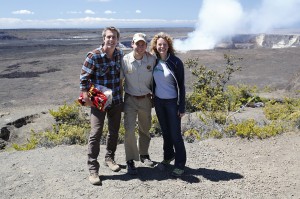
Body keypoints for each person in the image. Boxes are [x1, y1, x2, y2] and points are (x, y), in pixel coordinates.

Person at [79, 26, 123, 185]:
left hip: (116, 100)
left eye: (114, 37)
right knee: (96, 132)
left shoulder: (119, 54)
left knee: (114, 131)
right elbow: (83, 78)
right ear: (103, 38)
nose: (111, 40)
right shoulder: (94, 56)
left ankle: (109, 158)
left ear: (117, 39)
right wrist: (85, 97)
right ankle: (93, 169)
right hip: (98, 102)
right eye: (108, 37)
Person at [149, 32, 187, 177]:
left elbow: (182, 86)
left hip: (172, 102)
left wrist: (181, 106)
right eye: (159, 44)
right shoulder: (154, 61)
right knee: (165, 131)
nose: (162, 47)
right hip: (159, 101)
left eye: (164, 44)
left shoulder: (175, 62)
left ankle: (180, 164)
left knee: (175, 134)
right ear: (155, 46)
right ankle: (168, 156)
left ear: (168, 46)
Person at [121, 33, 156, 175]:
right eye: (138, 44)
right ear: (132, 44)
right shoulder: (125, 60)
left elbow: (156, 79)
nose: (140, 47)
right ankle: (130, 159)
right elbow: (120, 81)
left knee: (145, 128)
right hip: (130, 99)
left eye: (143, 44)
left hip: (146, 99)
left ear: (146, 46)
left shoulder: (152, 59)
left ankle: (144, 154)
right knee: (129, 130)